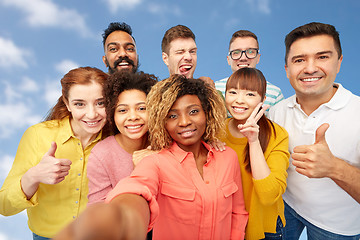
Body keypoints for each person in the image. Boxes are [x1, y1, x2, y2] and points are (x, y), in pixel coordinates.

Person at [54, 75, 249, 240]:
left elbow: (237, 213)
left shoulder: (228, 157)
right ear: (161, 121)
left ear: (208, 114)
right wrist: (117, 219)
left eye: (194, 111)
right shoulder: (155, 161)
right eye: (172, 116)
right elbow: (136, 191)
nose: (184, 122)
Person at [268, 22, 360, 239]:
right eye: (299, 60)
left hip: (337, 228)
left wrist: (335, 168)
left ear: (339, 62)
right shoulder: (276, 111)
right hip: (286, 208)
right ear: (287, 69)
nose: (310, 68)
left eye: (322, 57)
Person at [0, 67, 109, 240]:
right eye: (80, 104)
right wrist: (33, 176)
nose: (92, 114)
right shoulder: (38, 135)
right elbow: (4, 206)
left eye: (100, 103)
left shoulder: (116, 141)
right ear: (67, 103)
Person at [222, 67, 289, 240]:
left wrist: (253, 141)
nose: (239, 100)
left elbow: (269, 196)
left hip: (264, 228)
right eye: (233, 92)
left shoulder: (277, 135)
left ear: (263, 100)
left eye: (250, 94)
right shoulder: (216, 131)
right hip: (225, 224)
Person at [87, 71, 157, 204]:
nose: (133, 116)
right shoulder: (101, 155)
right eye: (122, 110)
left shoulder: (165, 144)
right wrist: (138, 174)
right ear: (112, 115)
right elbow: (99, 210)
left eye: (142, 108)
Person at [215, 30, 284, 107]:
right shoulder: (214, 89)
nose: (243, 58)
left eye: (250, 52)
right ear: (228, 59)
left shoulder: (275, 94)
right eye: (236, 52)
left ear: (258, 58)